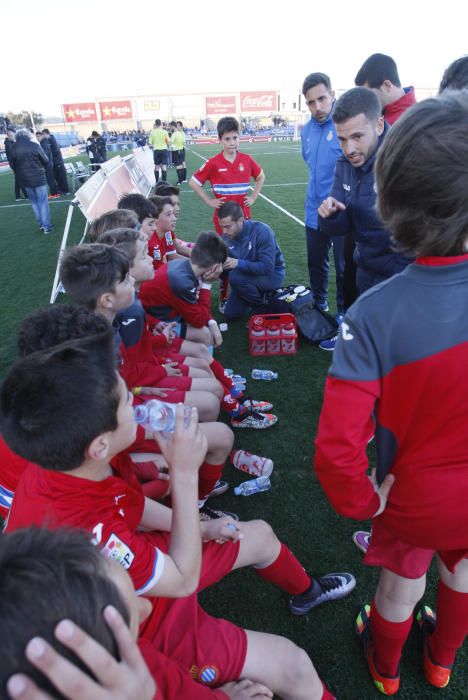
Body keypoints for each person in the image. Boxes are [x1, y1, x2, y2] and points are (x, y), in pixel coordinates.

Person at [1, 335, 354, 700]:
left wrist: (201, 526)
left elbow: (128, 505)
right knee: (292, 664)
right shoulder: (86, 529)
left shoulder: (67, 465)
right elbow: (181, 580)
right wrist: (184, 475)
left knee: (259, 536)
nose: (138, 403)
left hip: (136, 579)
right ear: (99, 445)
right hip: (141, 626)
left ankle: (307, 594)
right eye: (127, 401)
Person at [315, 91, 468, 696]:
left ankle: (384, 670)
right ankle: (440, 662)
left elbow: (336, 449)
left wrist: (363, 503)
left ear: (390, 201)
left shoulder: (374, 313)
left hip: (409, 498)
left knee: (400, 586)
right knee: (462, 574)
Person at [317, 88, 412, 350]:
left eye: (357, 136)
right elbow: (342, 226)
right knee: (367, 354)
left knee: (394, 357)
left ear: (379, 125)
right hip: (365, 274)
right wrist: (330, 215)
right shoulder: (344, 165)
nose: (349, 148)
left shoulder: (404, 165)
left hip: (400, 282)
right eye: (342, 139)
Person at [189, 117, 265, 310]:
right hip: (222, 223)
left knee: (246, 257)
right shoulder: (213, 163)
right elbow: (194, 182)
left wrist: (254, 197)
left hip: (244, 220)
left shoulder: (246, 160)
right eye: (227, 139)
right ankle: (224, 296)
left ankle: (247, 292)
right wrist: (209, 201)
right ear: (220, 140)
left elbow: (261, 176)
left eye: (235, 138)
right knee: (224, 258)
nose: (232, 143)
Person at [300, 72, 345, 317]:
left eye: (322, 99)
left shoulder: (345, 125)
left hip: (341, 211)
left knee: (343, 267)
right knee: (316, 263)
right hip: (313, 211)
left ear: (332, 95)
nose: (317, 107)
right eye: (310, 102)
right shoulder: (306, 130)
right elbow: (310, 162)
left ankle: (343, 315)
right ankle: (320, 304)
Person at [217, 201, 285, 319]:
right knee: (231, 314)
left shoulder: (262, 231)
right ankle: (256, 294)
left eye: (228, 226)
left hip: (272, 275)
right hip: (246, 275)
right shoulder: (226, 238)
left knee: (235, 277)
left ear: (240, 220)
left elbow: (267, 268)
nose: (224, 231)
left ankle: (262, 306)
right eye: (222, 227)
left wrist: (237, 263)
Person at [9, 128, 53, 233]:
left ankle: (42, 225)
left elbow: (13, 165)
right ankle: (46, 226)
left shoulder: (13, 148)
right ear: (28, 135)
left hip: (25, 179)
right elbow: (46, 160)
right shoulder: (35, 145)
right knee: (43, 202)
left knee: (34, 202)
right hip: (38, 177)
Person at [354, 53, 416, 126]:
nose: (366, 101)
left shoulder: (413, 121)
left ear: (386, 86)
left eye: (369, 95)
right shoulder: (379, 113)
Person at [42, 128, 71, 195]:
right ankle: (60, 189)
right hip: (54, 162)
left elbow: (55, 151)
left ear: (46, 134)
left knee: (61, 176)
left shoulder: (51, 140)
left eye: (43, 134)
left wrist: (50, 156)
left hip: (58, 162)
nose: (43, 136)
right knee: (57, 177)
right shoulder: (49, 140)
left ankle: (65, 190)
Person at [4, 127, 27, 201]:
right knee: (21, 180)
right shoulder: (8, 144)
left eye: (13, 135)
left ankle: (17, 197)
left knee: (18, 180)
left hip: (16, 164)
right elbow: (14, 154)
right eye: (10, 135)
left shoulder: (11, 143)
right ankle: (27, 195)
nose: (12, 137)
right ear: (7, 136)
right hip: (15, 164)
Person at [36, 131, 59, 199]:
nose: (37, 138)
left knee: (50, 180)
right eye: (36, 136)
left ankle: (54, 194)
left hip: (47, 164)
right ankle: (56, 193)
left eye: (39, 136)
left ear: (42, 136)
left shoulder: (43, 143)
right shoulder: (44, 142)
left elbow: (44, 156)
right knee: (51, 179)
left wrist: (42, 164)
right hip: (49, 163)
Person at [170, 120, 186, 184]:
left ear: (173, 126)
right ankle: (182, 179)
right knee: (181, 165)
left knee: (178, 166)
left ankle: (180, 181)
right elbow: (183, 142)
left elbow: (170, 143)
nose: (170, 128)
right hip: (181, 150)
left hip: (176, 151)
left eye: (170, 126)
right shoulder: (180, 133)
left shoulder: (174, 134)